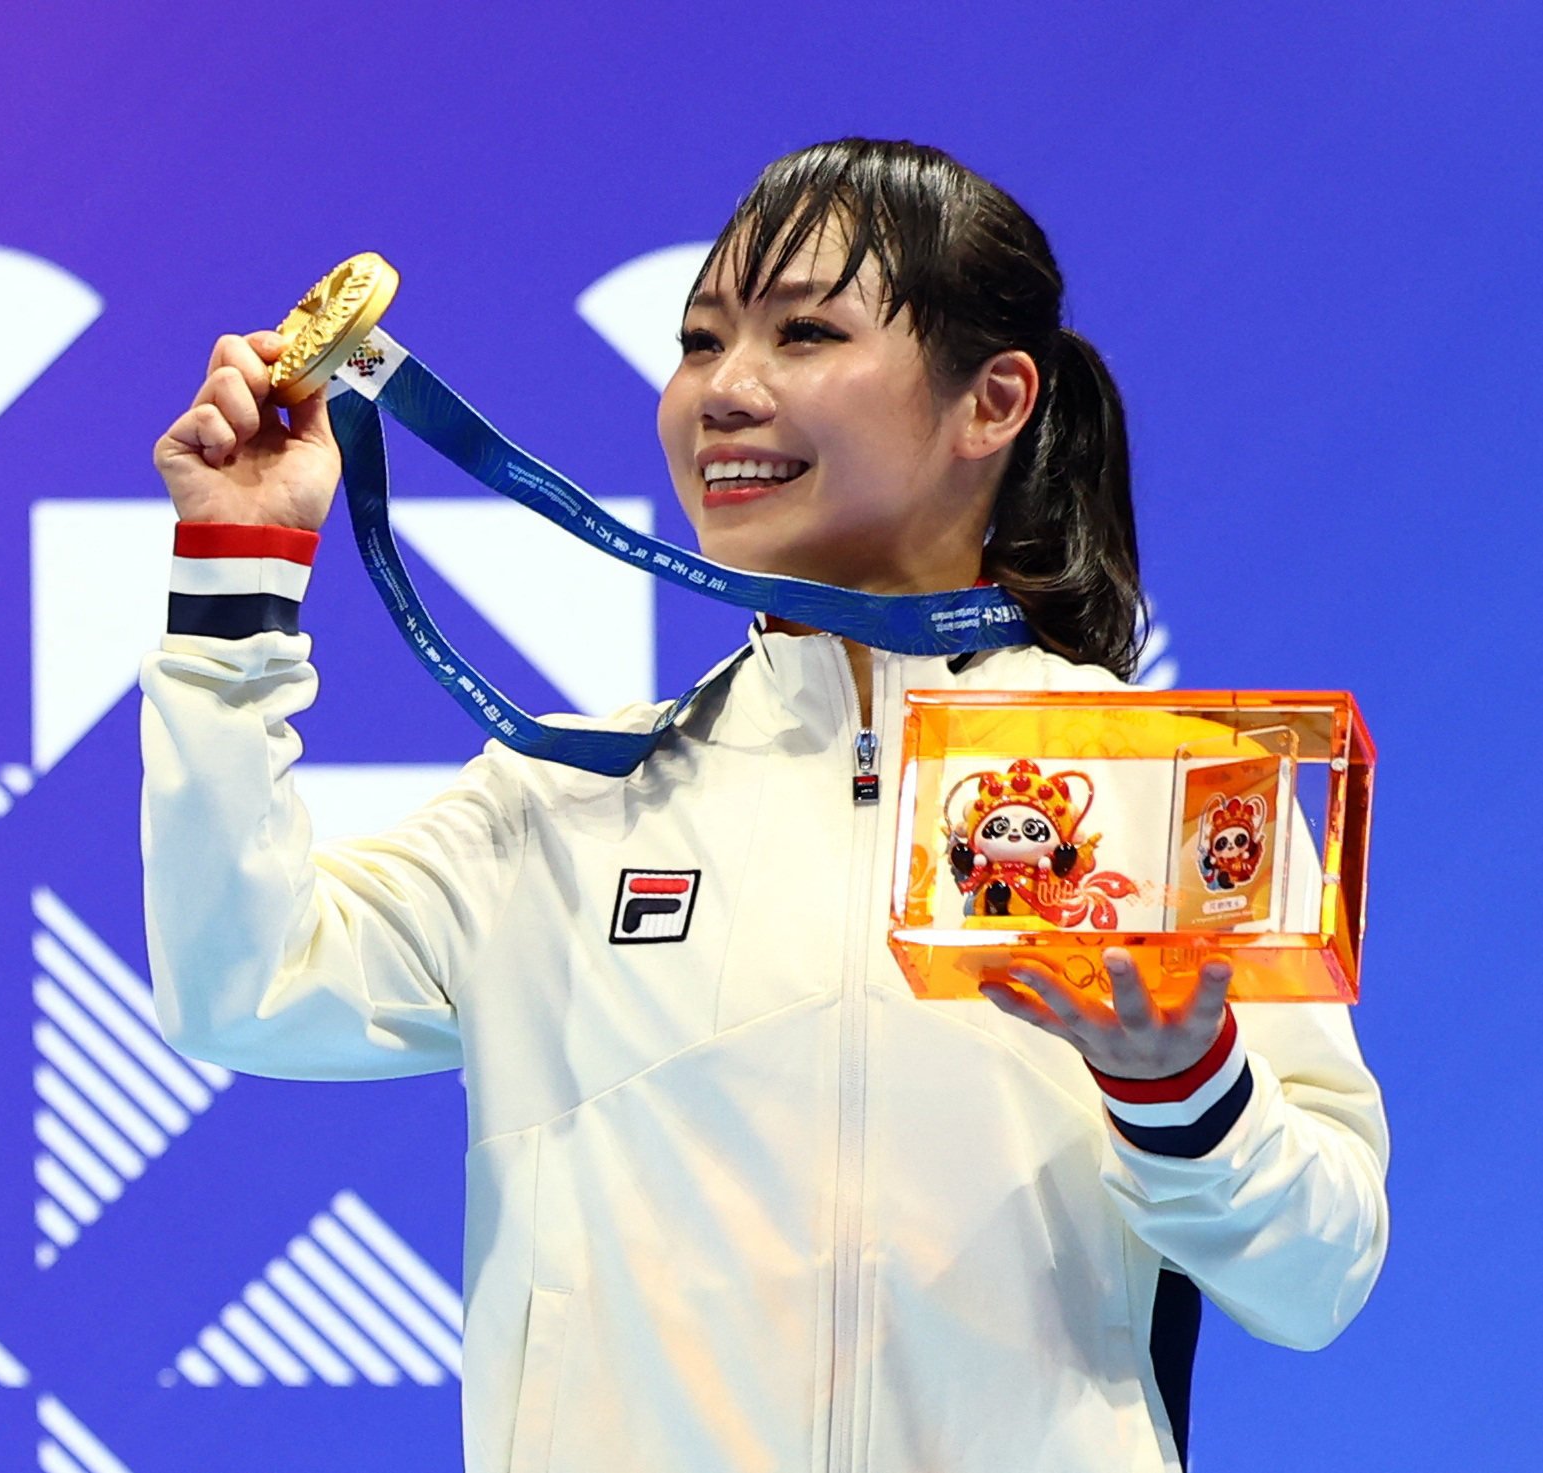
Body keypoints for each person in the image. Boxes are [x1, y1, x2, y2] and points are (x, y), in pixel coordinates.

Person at [140, 139, 1388, 1473]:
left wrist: (1183, 1090)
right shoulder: (562, 802)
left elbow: (1314, 1280)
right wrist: (237, 573)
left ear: (993, 400)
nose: (722, 391)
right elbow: (238, 982)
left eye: (804, 333)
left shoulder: (1157, 795)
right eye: (697, 341)